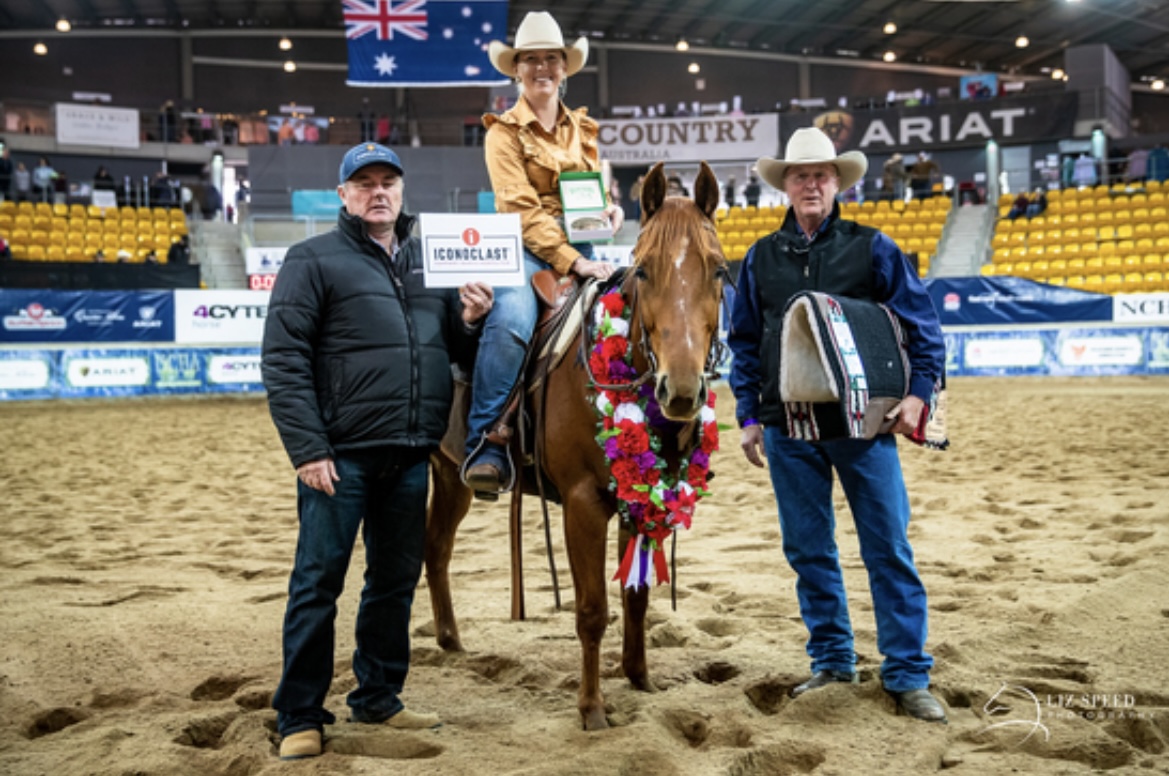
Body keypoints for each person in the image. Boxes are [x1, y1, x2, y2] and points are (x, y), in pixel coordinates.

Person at [262, 142, 493, 760]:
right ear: (343, 195)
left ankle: (378, 696)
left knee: (394, 582)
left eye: (388, 181)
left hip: (411, 453)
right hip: (338, 458)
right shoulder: (311, 260)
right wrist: (308, 450)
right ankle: (299, 714)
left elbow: (456, 353)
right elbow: (283, 361)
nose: (378, 192)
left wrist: (471, 320)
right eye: (363, 183)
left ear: (401, 189)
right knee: (318, 583)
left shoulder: (430, 263)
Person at [728, 127, 947, 723]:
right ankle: (832, 661)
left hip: (863, 425)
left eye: (821, 175)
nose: (811, 184)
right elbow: (744, 340)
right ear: (786, 185)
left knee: (888, 545)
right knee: (808, 549)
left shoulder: (874, 248)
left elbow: (922, 329)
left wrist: (919, 396)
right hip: (785, 425)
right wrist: (748, 414)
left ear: (836, 183)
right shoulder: (759, 257)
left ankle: (907, 673)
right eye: (801, 175)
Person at [461, 10, 623, 496]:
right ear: (516, 70)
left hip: (583, 242)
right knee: (511, 316)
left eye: (550, 58)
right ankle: (487, 441)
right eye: (530, 60)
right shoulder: (502, 132)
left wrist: (608, 211)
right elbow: (522, 212)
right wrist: (575, 261)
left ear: (564, 67)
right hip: (524, 248)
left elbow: (590, 195)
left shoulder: (584, 129)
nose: (541, 68)